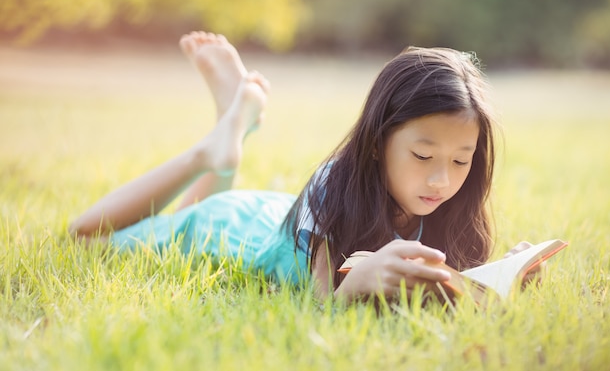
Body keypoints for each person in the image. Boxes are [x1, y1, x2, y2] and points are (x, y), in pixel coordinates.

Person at [70, 31, 534, 302]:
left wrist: (501, 278)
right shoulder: (336, 181)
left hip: (277, 218)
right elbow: (320, 304)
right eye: (422, 156)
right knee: (88, 237)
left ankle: (229, 124)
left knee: (194, 207)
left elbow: (450, 290)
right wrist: (359, 285)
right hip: (233, 231)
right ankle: (210, 149)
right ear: (377, 142)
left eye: (460, 160)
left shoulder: (447, 208)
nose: (441, 179)